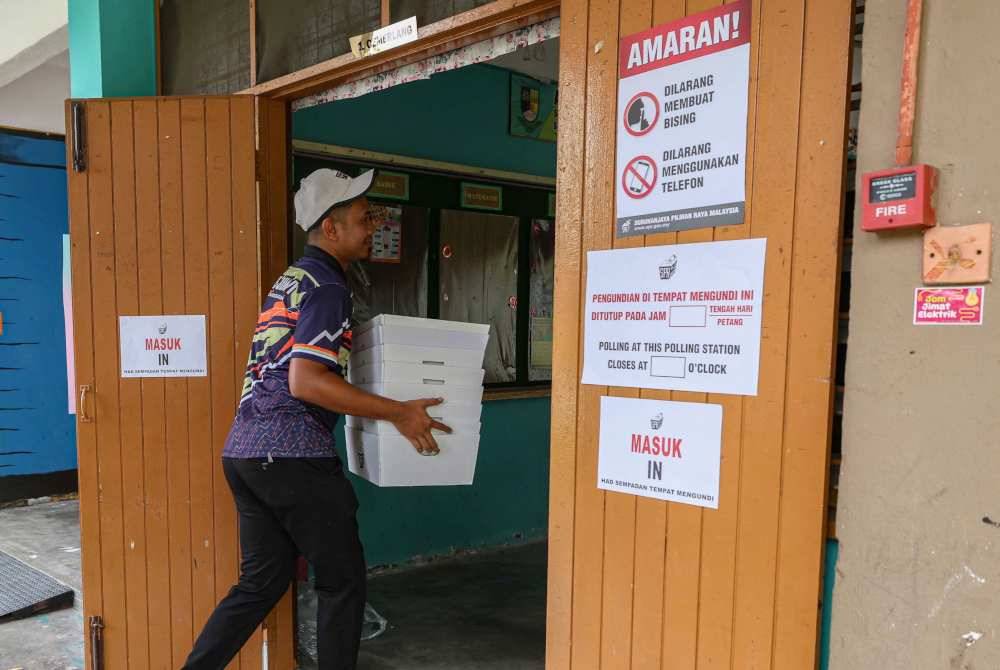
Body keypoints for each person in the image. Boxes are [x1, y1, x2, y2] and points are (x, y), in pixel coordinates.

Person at [183, 168, 451, 669]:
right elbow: (306, 382)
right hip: (291, 456)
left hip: (245, 452)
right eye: (362, 218)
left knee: (260, 584)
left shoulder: (292, 279)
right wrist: (398, 412)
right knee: (342, 582)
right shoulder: (328, 286)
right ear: (331, 228)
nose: (372, 226)